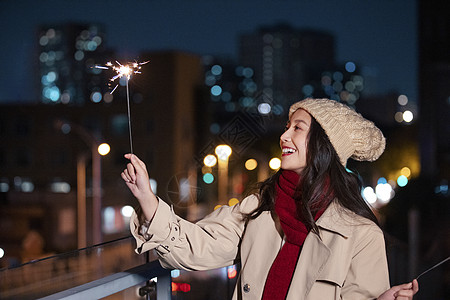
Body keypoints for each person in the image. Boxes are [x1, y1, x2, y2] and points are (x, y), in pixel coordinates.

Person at [122, 98, 419, 299]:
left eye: (297, 128)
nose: (284, 136)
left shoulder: (361, 234)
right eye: (287, 126)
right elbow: (197, 247)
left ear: (323, 144)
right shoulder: (260, 206)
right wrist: (148, 199)